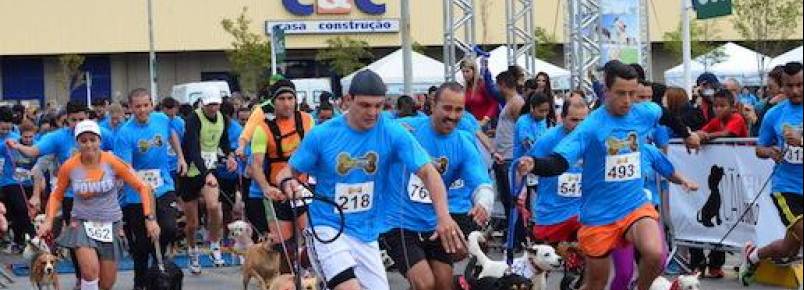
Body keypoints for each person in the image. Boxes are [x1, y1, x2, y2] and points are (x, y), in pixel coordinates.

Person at [517, 60, 701, 290]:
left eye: (632, 93)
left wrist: (686, 134)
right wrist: (534, 163)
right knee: (597, 283)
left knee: (656, 254)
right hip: (599, 214)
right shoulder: (591, 126)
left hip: (634, 205)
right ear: (606, 90)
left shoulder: (642, 112)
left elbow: (662, 113)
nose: (627, 101)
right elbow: (559, 162)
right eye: (620, 93)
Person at [275, 70, 464, 290]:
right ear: (348, 100)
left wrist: (444, 216)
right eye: (365, 105)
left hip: (366, 233)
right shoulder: (322, 135)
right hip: (327, 228)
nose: (373, 112)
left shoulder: (393, 133)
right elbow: (287, 171)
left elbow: (429, 173)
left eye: (378, 106)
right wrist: (287, 182)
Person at [381, 82, 494, 290]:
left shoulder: (462, 143)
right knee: (425, 284)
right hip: (400, 221)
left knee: (443, 284)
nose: (452, 115)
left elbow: (481, 182)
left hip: (436, 223)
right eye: (447, 108)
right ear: (433, 104)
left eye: (459, 109)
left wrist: (483, 203)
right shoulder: (407, 129)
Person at [37, 120, 160, 290]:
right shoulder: (69, 166)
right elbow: (56, 194)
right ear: (77, 143)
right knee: (89, 273)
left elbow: (142, 187)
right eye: (83, 140)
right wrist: (49, 220)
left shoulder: (112, 161)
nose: (88, 145)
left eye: (92, 140)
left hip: (110, 224)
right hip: (82, 223)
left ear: (99, 141)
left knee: (107, 283)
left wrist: (150, 218)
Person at [6, 100, 116, 287]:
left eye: (82, 119)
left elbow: (117, 154)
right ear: (66, 120)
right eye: (73, 120)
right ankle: (82, 277)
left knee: (99, 240)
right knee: (78, 241)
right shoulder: (58, 137)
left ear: (88, 117)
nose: (78, 123)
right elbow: (34, 152)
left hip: (99, 199)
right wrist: (18, 147)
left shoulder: (103, 134)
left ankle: (97, 275)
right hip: (72, 198)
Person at [114, 89, 185, 290]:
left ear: (152, 104)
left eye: (146, 105)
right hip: (136, 192)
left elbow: (171, 133)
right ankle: (141, 283)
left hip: (162, 186)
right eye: (137, 106)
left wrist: (180, 156)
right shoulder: (125, 133)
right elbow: (126, 169)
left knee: (170, 228)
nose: (142, 110)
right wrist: (140, 185)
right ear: (130, 108)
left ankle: (157, 271)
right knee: (142, 245)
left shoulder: (162, 119)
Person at [740, 62, 803, 286]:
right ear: (782, 86)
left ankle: (753, 256)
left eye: (800, 85)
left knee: (788, 248)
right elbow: (759, 148)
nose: (795, 91)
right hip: (787, 188)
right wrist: (769, 151)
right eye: (789, 86)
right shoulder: (774, 114)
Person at [249, 80, 315, 272]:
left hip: (305, 189)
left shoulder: (307, 120)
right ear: (273, 102)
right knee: (285, 248)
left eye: (290, 98)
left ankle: (311, 275)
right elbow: (256, 165)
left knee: (314, 241)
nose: (287, 103)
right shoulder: (262, 129)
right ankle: (288, 280)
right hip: (278, 193)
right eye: (281, 99)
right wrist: (265, 188)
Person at [180, 89, 238, 274]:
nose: (213, 108)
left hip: (209, 170)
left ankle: (214, 245)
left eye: (216, 104)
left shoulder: (222, 118)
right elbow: (193, 149)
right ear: (202, 104)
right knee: (192, 223)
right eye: (210, 105)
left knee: (214, 207)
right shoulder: (193, 119)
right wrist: (206, 173)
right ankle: (192, 251)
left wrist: (229, 156)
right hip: (191, 172)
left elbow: (224, 141)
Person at [529, 96, 588, 244]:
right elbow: (530, 170)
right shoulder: (547, 139)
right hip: (552, 213)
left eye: (583, 120)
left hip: (581, 211)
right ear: (562, 118)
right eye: (574, 120)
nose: (579, 126)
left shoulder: (591, 138)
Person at [492, 70, 526, 246]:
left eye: (498, 85)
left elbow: (523, 128)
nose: (497, 89)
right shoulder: (509, 102)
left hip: (510, 157)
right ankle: (515, 236)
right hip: (503, 156)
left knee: (512, 201)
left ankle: (517, 237)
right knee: (507, 200)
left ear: (503, 84)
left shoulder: (516, 103)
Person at [0, 115, 37, 252]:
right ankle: (32, 236)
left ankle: (19, 240)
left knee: (21, 213)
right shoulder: (11, 142)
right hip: (11, 181)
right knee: (21, 209)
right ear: (20, 135)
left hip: (28, 183)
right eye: (25, 137)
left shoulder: (36, 144)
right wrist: (5, 145)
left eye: (30, 137)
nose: (28, 140)